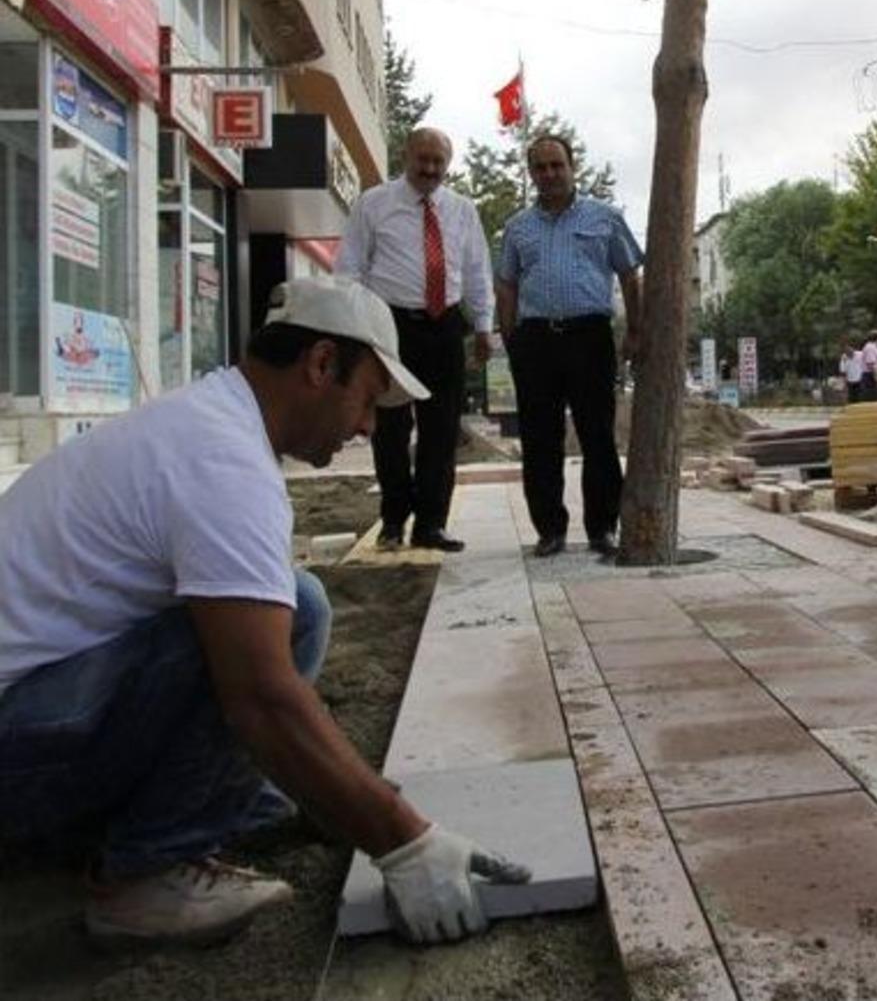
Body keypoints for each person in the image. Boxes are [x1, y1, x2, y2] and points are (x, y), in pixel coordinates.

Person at [0, 278, 527, 945]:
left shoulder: (203, 420)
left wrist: (331, 791)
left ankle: (241, 801)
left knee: (274, 603)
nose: (368, 425)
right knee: (286, 620)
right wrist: (403, 841)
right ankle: (141, 875)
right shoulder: (225, 463)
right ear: (321, 365)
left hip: (39, 708)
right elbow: (260, 697)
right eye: (368, 398)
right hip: (17, 755)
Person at [335, 128, 493, 552]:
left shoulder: (462, 210)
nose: (430, 169)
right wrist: (355, 329)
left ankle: (430, 525)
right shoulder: (373, 204)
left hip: (445, 327)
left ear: (448, 163)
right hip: (389, 327)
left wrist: (483, 327)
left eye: (439, 162)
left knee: (441, 431)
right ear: (407, 156)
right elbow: (348, 268)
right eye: (423, 159)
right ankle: (392, 520)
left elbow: (477, 272)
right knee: (390, 428)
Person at [496, 134, 644, 558]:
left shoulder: (606, 218)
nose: (549, 174)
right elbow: (506, 285)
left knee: (597, 436)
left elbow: (630, 276)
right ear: (531, 174)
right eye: (540, 168)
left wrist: (635, 331)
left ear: (572, 166)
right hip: (536, 341)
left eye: (556, 165)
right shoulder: (518, 227)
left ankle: (602, 528)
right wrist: (513, 341)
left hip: (590, 337)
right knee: (541, 441)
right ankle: (550, 530)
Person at [860, 330, 877, 401]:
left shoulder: (872, 347)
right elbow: (870, 363)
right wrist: (876, 375)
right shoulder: (870, 347)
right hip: (870, 376)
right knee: (872, 398)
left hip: (871, 375)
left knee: (874, 397)